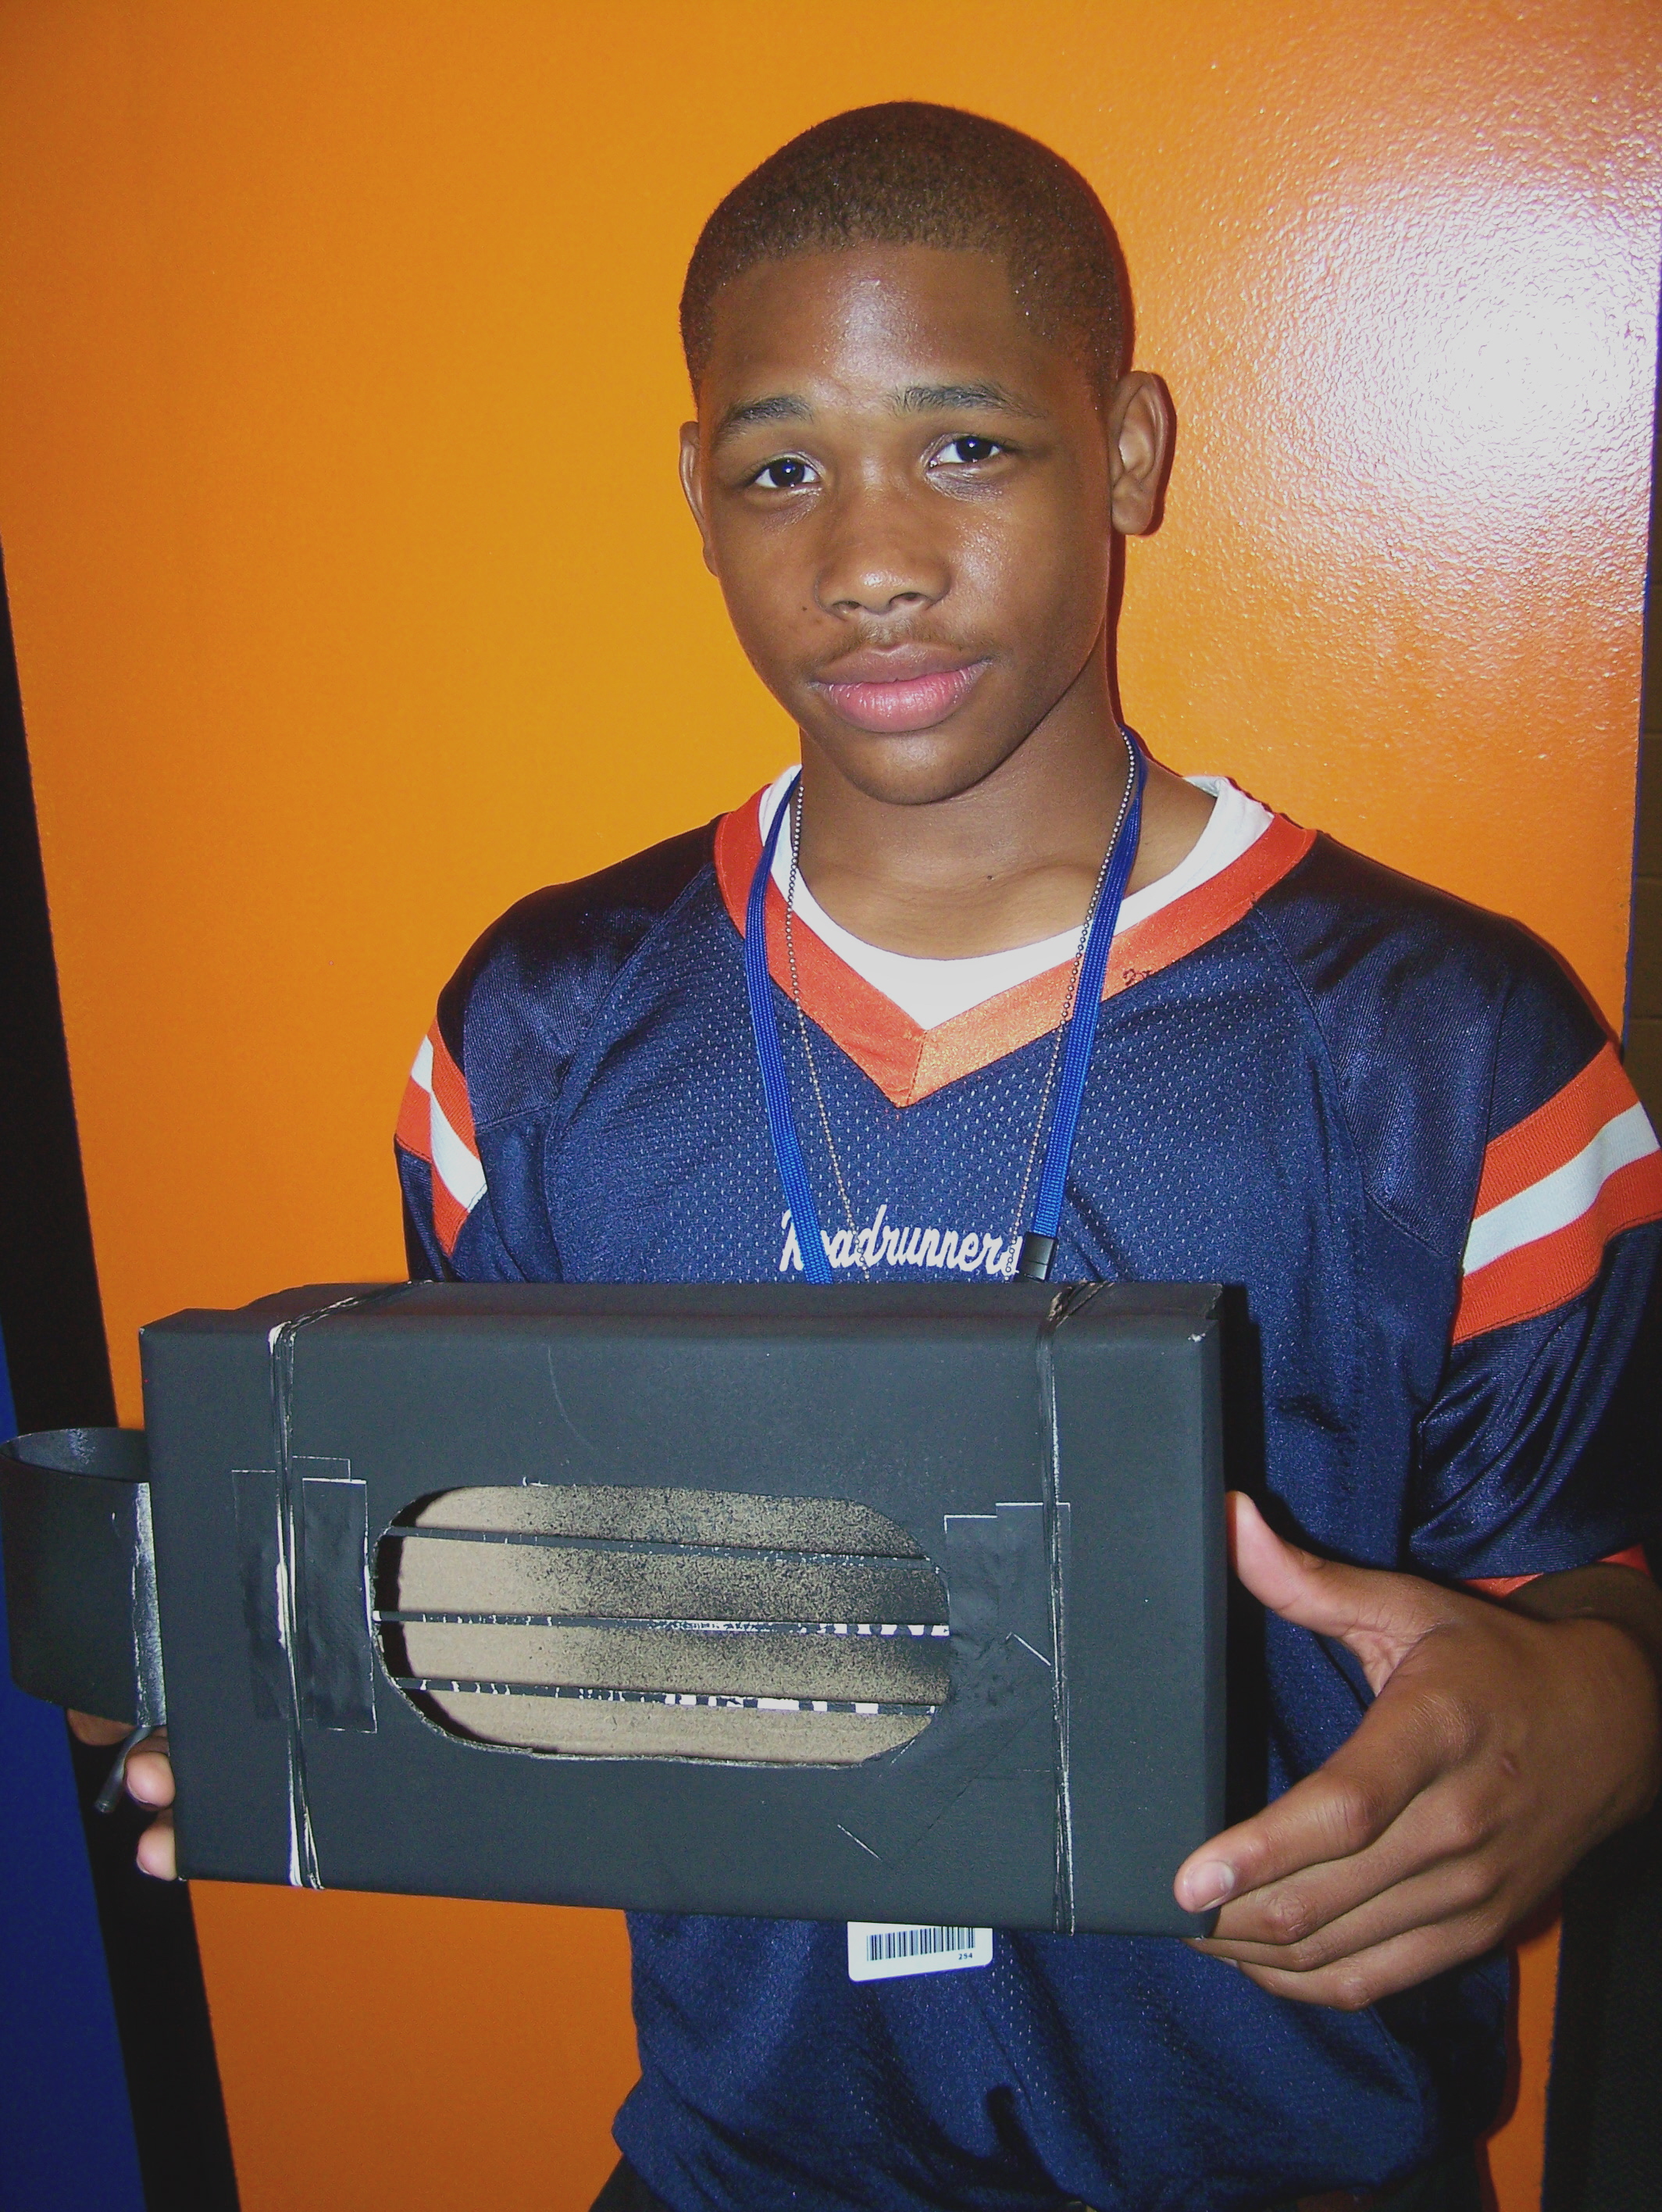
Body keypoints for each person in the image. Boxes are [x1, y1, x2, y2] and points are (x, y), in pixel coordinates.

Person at [86, 102, 1662, 2212]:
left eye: (967, 446)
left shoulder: (1449, 1047)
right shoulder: (533, 1037)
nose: (869, 562)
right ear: (695, 495)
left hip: (1293, 2165)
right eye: (781, 471)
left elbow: (1597, 1568)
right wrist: (269, 1657)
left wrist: (1598, 1712)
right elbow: (499, 1573)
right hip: (741, 2164)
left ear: (1126, 451)